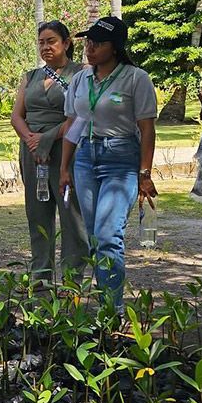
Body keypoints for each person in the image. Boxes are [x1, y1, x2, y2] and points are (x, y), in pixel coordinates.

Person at [59, 16, 158, 307]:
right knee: (94, 237)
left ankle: (112, 311)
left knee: (107, 235)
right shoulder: (80, 78)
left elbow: (147, 128)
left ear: (114, 47)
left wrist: (144, 173)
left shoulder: (135, 78)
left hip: (120, 157)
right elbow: (72, 124)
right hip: (85, 158)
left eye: (97, 43)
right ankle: (105, 303)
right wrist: (65, 167)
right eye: (88, 42)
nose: (89, 48)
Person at [11, 21, 88, 278]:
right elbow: (17, 116)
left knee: (71, 217)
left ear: (66, 43)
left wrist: (47, 138)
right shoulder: (30, 76)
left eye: (51, 41)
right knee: (37, 214)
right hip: (33, 154)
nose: (45, 47)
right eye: (41, 42)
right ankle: (40, 276)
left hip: (66, 151)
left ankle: (72, 278)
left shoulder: (81, 73)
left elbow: (79, 115)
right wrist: (31, 140)